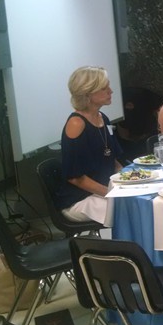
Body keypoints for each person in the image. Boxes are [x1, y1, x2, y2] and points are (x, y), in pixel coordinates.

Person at [58, 66, 123, 225]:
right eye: (104, 87)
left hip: (101, 191)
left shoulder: (103, 118)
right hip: (80, 198)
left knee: (137, 201)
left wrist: (132, 180)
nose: (111, 91)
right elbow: (76, 178)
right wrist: (111, 192)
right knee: (128, 210)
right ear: (88, 94)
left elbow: (112, 160)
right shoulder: (76, 124)